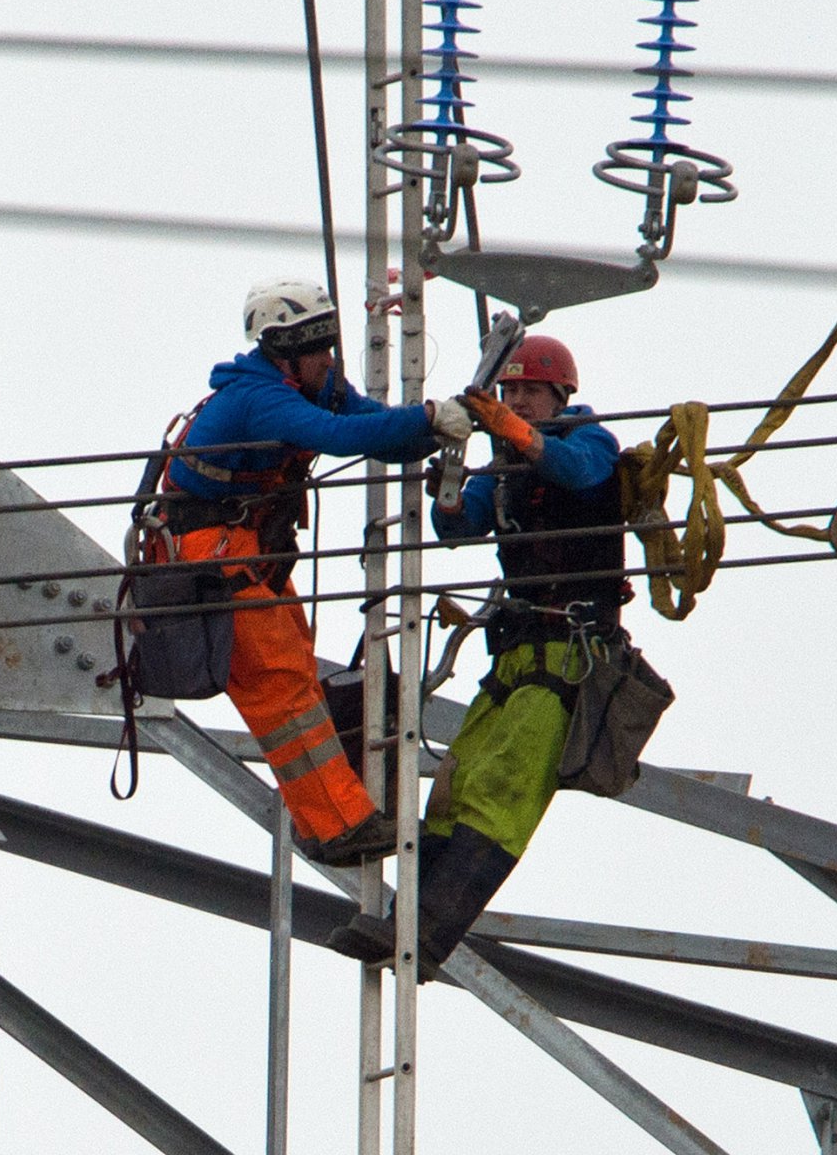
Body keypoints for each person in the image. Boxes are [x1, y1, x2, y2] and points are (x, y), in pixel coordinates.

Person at [327, 333, 626, 970]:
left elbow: (579, 472)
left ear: (560, 394)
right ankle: (397, 922)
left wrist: (508, 429)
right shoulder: (507, 466)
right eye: (509, 390)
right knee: (454, 790)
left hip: (571, 655)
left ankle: (427, 936)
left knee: (501, 790)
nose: (516, 399)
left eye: (528, 391)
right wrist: (453, 474)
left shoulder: (590, 438)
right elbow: (459, 526)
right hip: (516, 655)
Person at [156, 278, 473, 867]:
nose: (329, 361)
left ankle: (326, 816)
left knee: (295, 667)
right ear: (283, 351)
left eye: (329, 348)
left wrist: (433, 428)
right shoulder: (258, 397)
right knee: (279, 685)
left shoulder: (312, 382)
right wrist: (429, 415)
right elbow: (340, 435)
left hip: (245, 550)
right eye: (317, 350)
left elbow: (374, 427)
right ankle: (339, 826)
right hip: (207, 553)